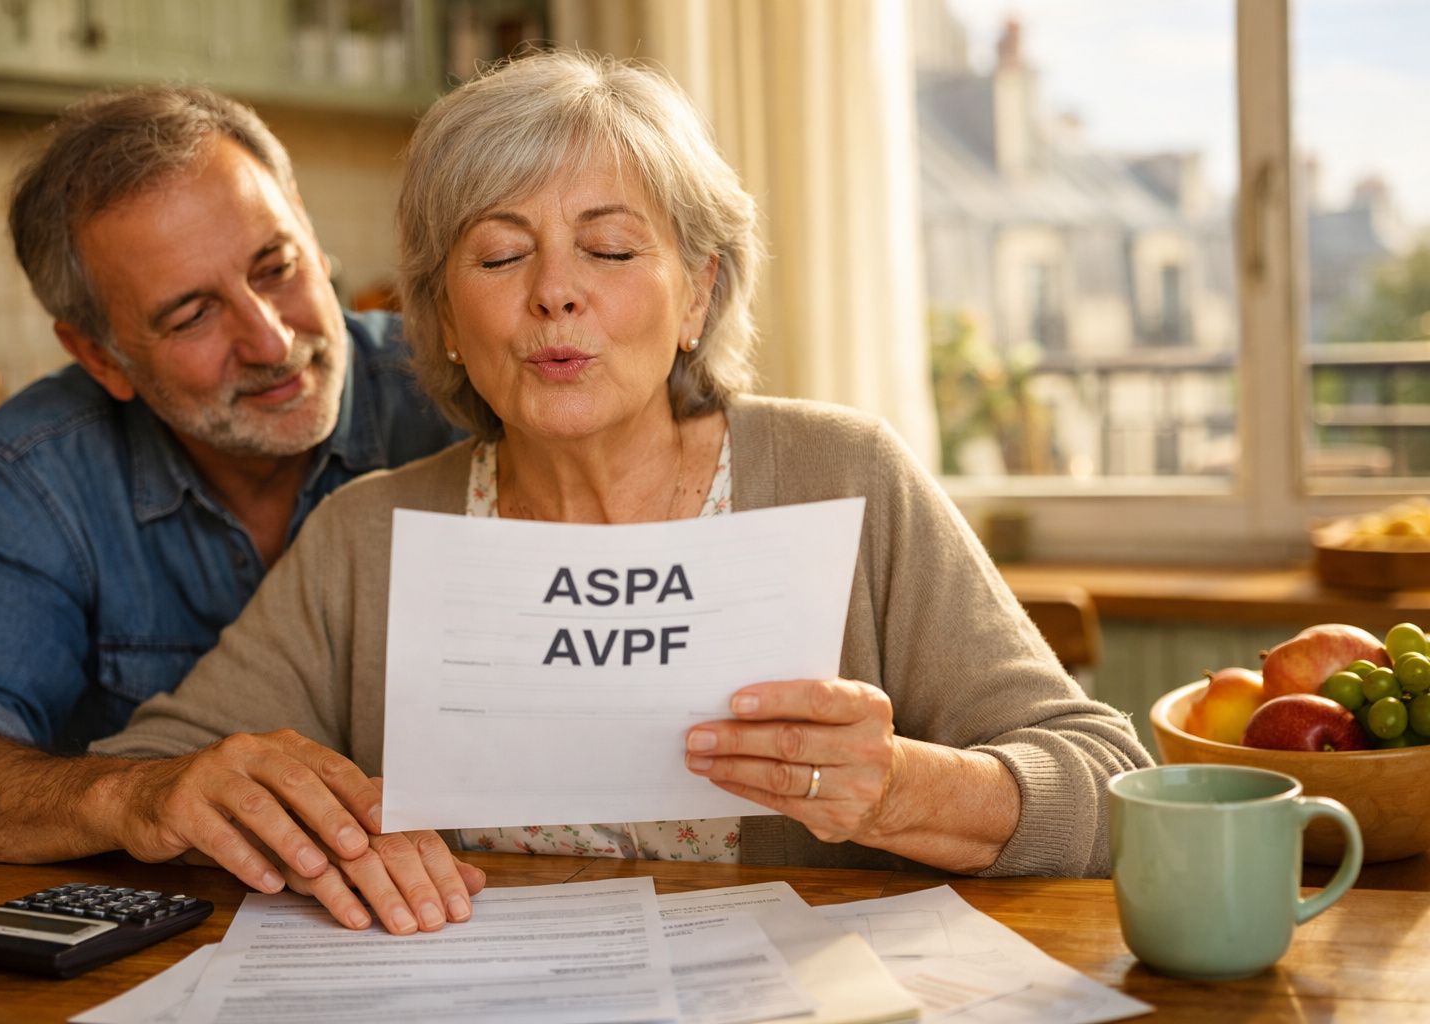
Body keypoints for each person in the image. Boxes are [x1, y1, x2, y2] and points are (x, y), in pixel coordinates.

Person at [92, 48, 1155, 928]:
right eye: (501, 257)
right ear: (445, 321)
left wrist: (902, 788)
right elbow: (153, 773)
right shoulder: (371, 534)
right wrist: (235, 796)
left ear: (697, 290)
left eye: (608, 247)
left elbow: (1112, 786)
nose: (557, 293)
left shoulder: (845, 476)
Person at [0, 87, 487, 933]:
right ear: (101, 356)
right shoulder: (34, 473)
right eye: (192, 314)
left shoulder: (462, 395)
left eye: (275, 267)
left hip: (472, 919)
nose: (272, 342)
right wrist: (141, 792)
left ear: (314, 242)